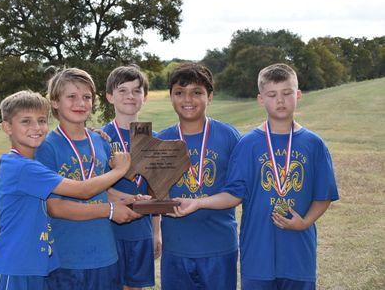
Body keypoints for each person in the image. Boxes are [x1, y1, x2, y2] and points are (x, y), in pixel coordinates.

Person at [170, 63, 339, 290]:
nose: (280, 100)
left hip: (299, 255)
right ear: (261, 99)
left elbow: (324, 195)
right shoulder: (248, 144)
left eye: (287, 93)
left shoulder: (314, 144)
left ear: (298, 95)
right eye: (272, 95)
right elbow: (235, 193)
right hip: (257, 254)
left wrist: (305, 222)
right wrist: (198, 202)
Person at [0, 90, 134, 290]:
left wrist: (90, 134)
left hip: (37, 267)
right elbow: (83, 190)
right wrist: (121, 169)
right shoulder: (21, 167)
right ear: (7, 127)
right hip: (13, 267)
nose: (36, 128)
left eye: (42, 120)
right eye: (26, 122)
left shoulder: (32, 164)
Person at [35, 68, 143, 290]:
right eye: (71, 97)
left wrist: (131, 200)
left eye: (86, 97)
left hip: (105, 255)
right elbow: (55, 207)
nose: (80, 103)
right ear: (55, 102)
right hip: (66, 259)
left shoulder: (100, 141)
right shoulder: (46, 147)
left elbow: (102, 191)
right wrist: (111, 210)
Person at [157, 63, 241, 290]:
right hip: (176, 248)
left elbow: (237, 192)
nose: (188, 99)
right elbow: (155, 192)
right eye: (179, 93)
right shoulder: (161, 141)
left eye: (197, 92)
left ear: (210, 96)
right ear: (171, 97)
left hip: (219, 247)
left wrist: (198, 202)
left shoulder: (229, 136)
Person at [101, 65, 161, 290]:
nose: (130, 96)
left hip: (140, 230)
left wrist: (156, 232)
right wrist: (131, 199)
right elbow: (93, 187)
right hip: (109, 229)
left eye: (137, 91)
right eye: (122, 90)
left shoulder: (154, 139)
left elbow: (156, 190)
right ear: (109, 97)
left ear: (145, 97)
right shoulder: (100, 138)